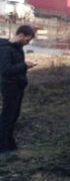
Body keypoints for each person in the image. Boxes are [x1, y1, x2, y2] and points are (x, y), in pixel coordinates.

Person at [0, 25, 36, 153]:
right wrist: (24, 66)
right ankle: (3, 147)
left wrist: (24, 67)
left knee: (14, 116)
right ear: (20, 35)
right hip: (9, 87)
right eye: (27, 40)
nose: (28, 43)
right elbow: (6, 70)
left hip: (18, 86)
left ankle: (10, 144)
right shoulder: (5, 49)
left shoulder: (17, 48)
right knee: (7, 117)